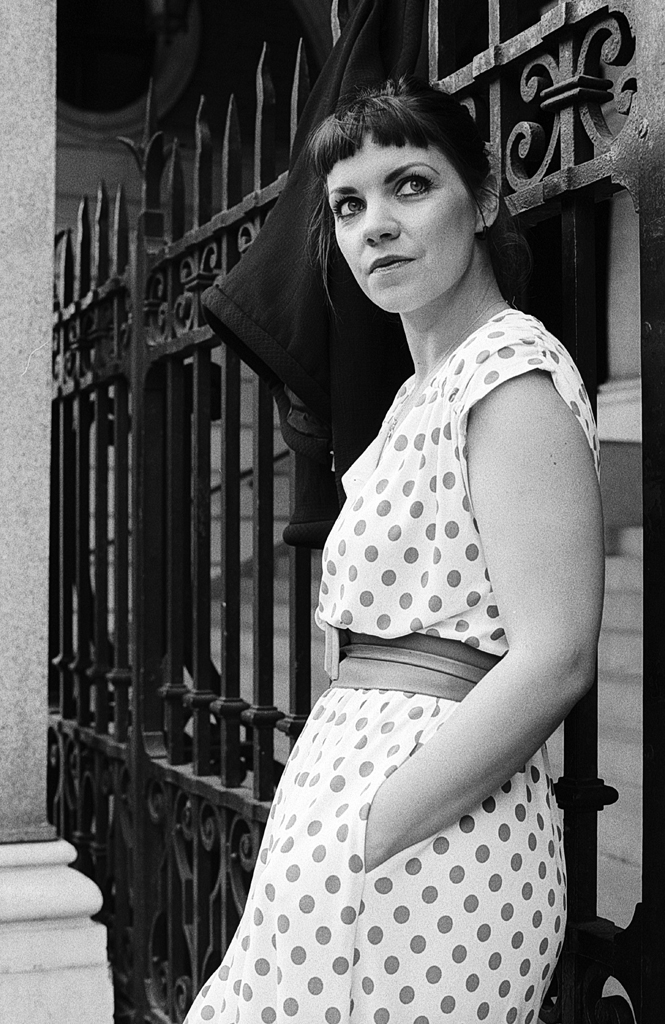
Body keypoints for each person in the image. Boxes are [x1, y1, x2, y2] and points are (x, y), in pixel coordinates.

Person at [186, 76, 604, 1024]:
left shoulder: (507, 375)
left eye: (409, 185)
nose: (374, 223)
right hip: (350, 844)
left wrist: (369, 827)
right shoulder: (418, 398)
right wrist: (329, 823)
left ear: (485, 197)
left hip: (430, 855)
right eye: (348, 203)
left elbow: (554, 658)